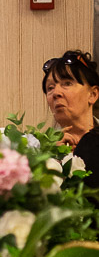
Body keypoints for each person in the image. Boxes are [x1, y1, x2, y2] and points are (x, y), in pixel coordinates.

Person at [43, 49, 99, 184]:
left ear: (93, 95)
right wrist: (51, 161)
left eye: (67, 83)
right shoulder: (40, 153)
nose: (56, 93)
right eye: (50, 88)